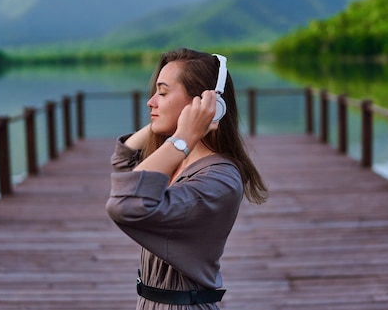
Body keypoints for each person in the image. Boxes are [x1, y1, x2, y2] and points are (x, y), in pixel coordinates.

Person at [106, 47, 268, 309]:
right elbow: (124, 159)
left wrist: (184, 135)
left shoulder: (220, 179)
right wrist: (175, 126)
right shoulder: (176, 162)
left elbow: (125, 202)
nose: (151, 102)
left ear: (203, 104)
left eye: (163, 92)